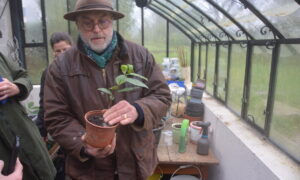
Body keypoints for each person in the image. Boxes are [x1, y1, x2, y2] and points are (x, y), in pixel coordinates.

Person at [43, 0, 172, 179]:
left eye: (103, 21)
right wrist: (84, 143)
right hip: (91, 171)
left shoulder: (140, 56)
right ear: (77, 25)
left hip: (136, 164)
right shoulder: (61, 67)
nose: (96, 29)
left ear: (112, 21)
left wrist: (139, 109)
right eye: (88, 22)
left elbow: (162, 96)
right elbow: (56, 116)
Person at [0, 52, 56, 179]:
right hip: (6, 164)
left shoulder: (1, 57)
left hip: (27, 138)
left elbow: (23, 76)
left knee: (46, 173)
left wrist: (17, 87)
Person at [35, 32, 73, 180]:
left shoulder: (82, 70)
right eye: (58, 51)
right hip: (59, 126)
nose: (62, 54)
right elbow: (43, 103)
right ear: (53, 52)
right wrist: (41, 132)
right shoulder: (48, 72)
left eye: (66, 50)